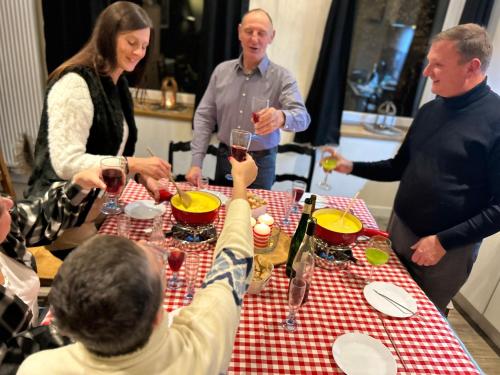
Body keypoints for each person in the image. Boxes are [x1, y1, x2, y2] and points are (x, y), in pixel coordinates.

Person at [18, 155, 258, 374]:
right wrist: (240, 182)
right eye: (154, 259)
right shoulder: (199, 346)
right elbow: (233, 260)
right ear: (157, 316)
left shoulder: (36, 368)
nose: (144, 241)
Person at [327, 24, 500, 314]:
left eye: (438, 64)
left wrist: (443, 242)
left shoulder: (496, 120)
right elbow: (400, 166)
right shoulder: (431, 110)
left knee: (418, 321)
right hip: (399, 229)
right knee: (378, 304)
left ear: (471, 67)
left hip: (445, 251)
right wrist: (351, 165)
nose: (426, 72)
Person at [25, 1, 171, 249]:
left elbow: (113, 153)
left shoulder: (117, 84)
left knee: (154, 242)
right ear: (108, 37)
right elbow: (66, 163)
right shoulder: (74, 83)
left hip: (95, 207)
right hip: (62, 218)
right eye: (131, 42)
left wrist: (142, 176)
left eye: (144, 46)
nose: (138, 52)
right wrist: (132, 164)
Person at [186, 8, 310, 190]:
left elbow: (303, 118)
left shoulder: (283, 77)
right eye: (249, 31)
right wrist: (196, 162)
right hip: (226, 157)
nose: (254, 39)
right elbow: (205, 116)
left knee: (257, 216)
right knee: (225, 212)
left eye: (261, 33)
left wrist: (282, 117)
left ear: (271, 36)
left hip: (262, 161)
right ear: (239, 32)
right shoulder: (221, 72)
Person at [0, 167, 105, 344]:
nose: (10, 202)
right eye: (1, 209)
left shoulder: (7, 230)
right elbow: (15, 357)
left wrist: (79, 184)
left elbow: (44, 215)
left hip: (35, 333)